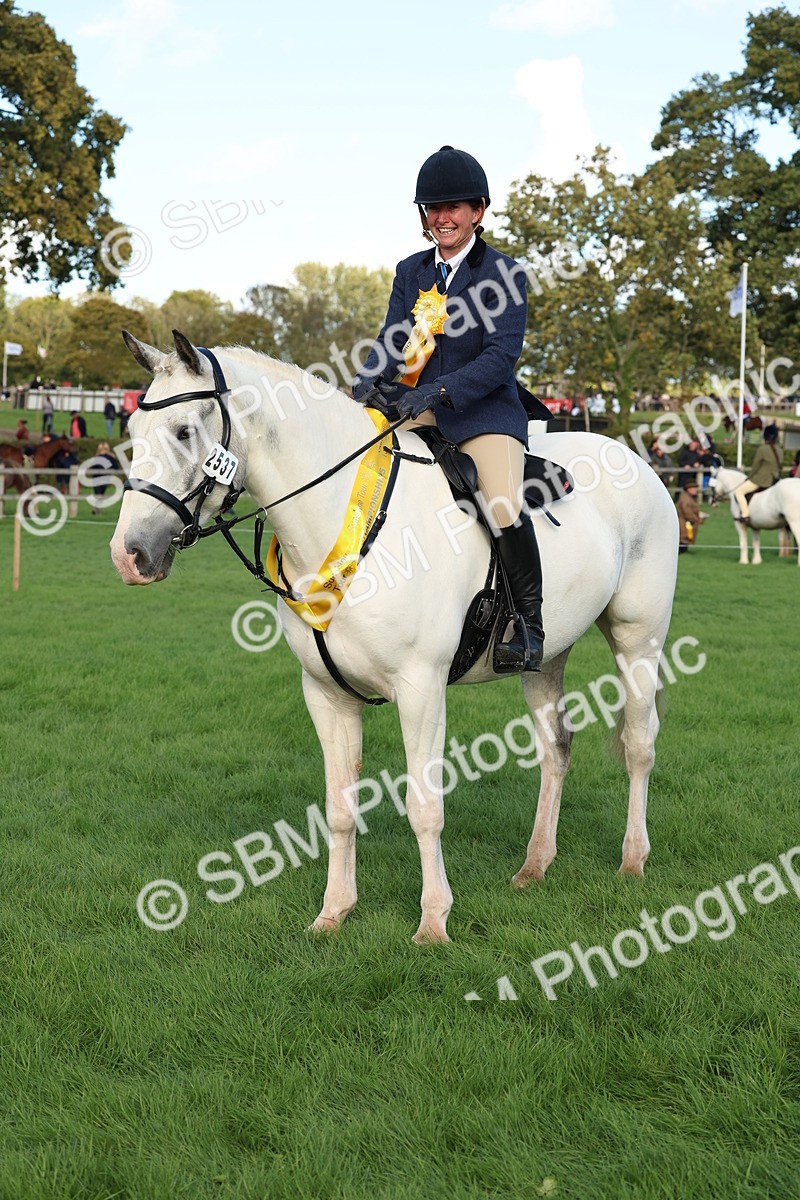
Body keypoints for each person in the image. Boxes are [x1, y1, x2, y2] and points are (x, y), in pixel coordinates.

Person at [351, 145, 551, 671]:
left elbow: (499, 357)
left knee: (503, 502)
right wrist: (360, 388)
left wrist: (439, 393)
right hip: (417, 406)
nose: (443, 217)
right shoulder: (410, 270)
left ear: (478, 212)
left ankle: (527, 623)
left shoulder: (504, 273)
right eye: (433, 208)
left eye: (454, 207)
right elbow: (391, 339)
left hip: (483, 413)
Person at [733, 423, 783, 523]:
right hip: (775, 480)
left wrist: (749, 477)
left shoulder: (762, 449)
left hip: (761, 480)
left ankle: (745, 515)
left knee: (738, 492)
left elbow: (755, 466)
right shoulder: (779, 450)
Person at [85, 441, 120, 513]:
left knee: (99, 493)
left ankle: (97, 508)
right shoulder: (109, 457)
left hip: (101, 478)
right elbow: (115, 467)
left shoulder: (104, 457)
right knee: (99, 493)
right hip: (101, 478)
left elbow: (92, 467)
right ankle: (97, 508)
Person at [675, 481, 705, 553]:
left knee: (685, 539)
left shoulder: (688, 497)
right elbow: (687, 512)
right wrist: (697, 519)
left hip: (685, 522)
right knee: (683, 539)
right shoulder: (686, 499)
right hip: (683, 523)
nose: (695, 490)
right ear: (688, 489)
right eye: (693, 488)